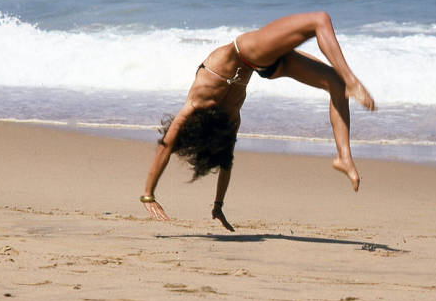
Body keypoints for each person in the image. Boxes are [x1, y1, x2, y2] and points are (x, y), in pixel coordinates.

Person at [141, 12, 376, 231]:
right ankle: (352, 81)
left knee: (336, 85)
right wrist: (217, 205)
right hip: (251, 55)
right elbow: (213, 158)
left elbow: (176, 149)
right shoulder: (218, 113)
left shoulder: (212, 110)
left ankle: (344, 157)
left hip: (264, 63)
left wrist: (150, 194)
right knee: (320, 20)